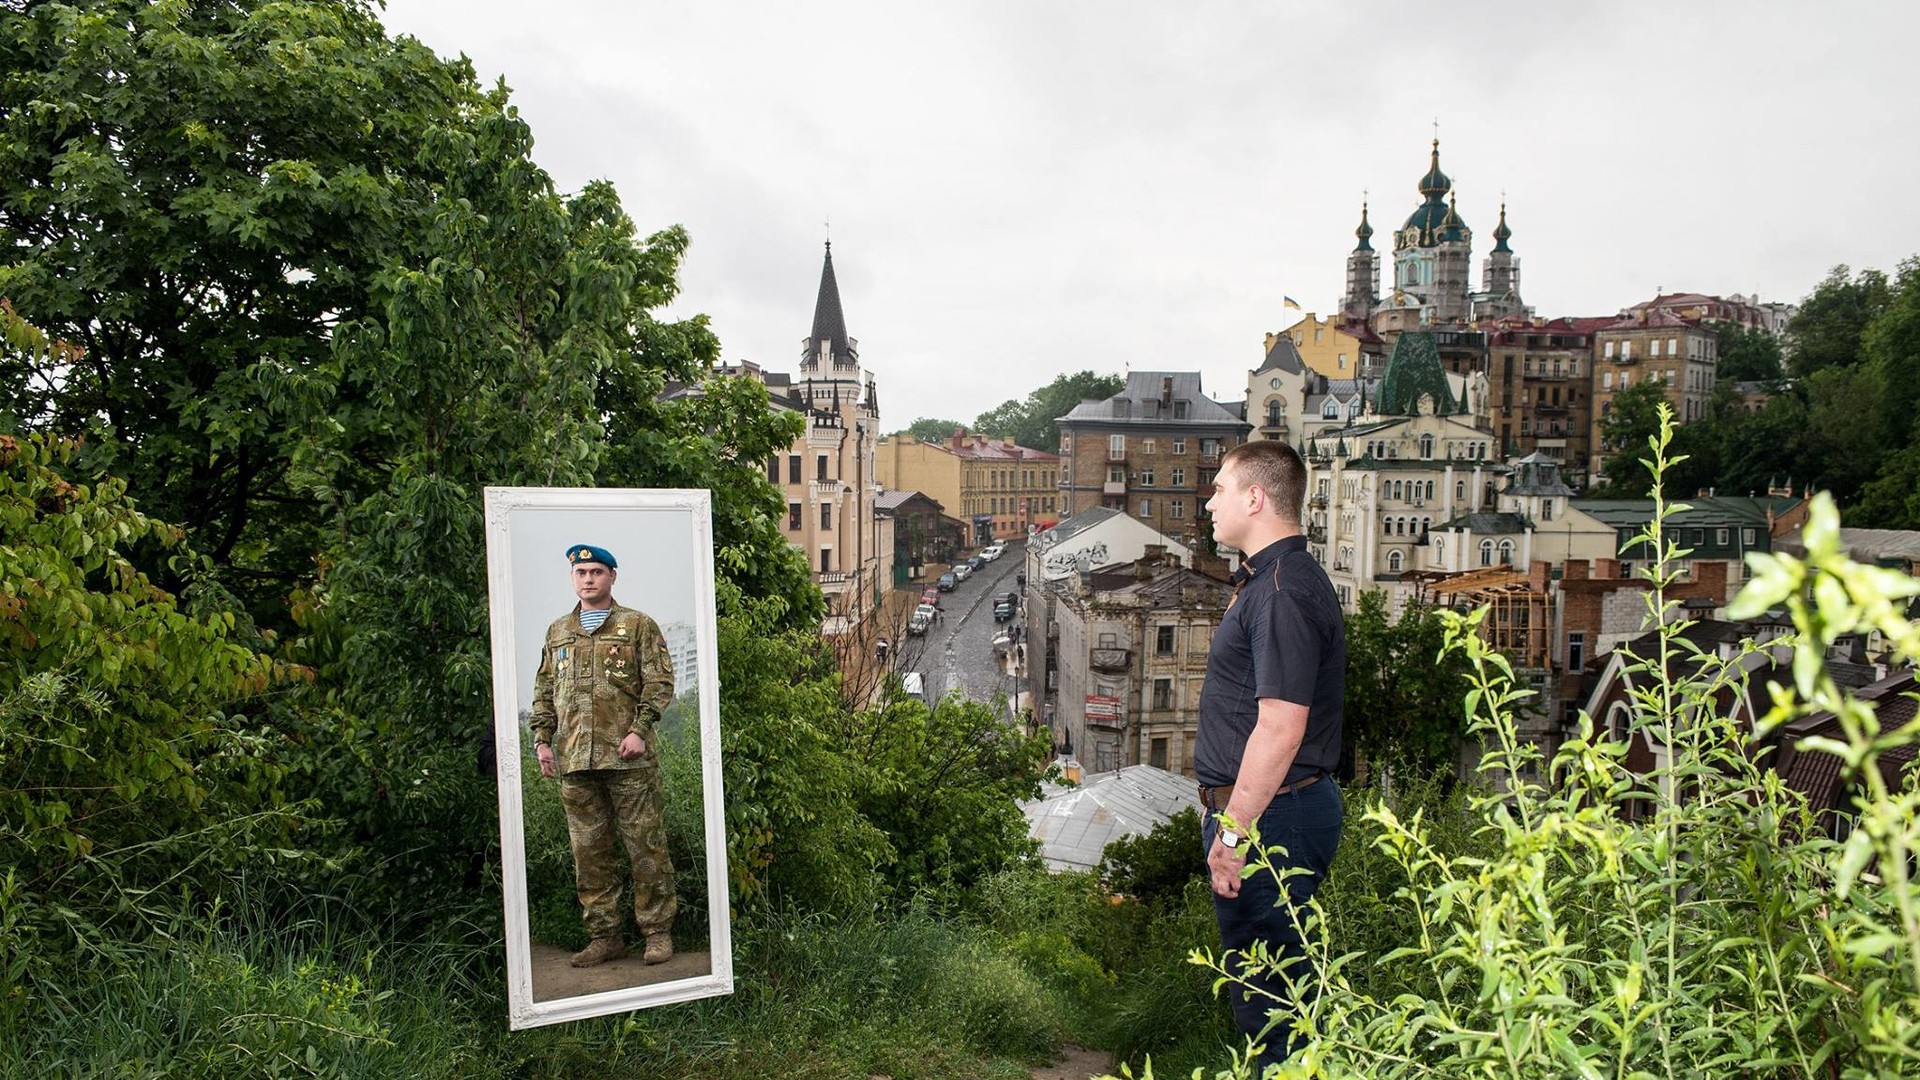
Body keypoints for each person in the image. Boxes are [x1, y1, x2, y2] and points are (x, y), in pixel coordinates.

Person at [1195, 441, 1346, 1072]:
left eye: (1221, 489)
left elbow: (1282, 727)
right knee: (1268, 990)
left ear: (1255, 498)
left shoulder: (1282, 590)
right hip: (1270, 815)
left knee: (1274, 1003)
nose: (1210, 501)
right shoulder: (1270, 580)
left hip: (1270, 821)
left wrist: (1233, 830)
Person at [530, 544, 678, 968]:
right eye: (581, 572)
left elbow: (659, 683)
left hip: (627, 757)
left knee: (645, 847)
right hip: (576, 762)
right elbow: (544, 692)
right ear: (573, 578)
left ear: (613, 576)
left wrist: (639, 731)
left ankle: (657, 932)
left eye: (597, 571)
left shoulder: (637, 625)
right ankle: (605, 936)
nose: (588, 579)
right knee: (590, 854)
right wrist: (543, 740)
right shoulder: (557, 632)